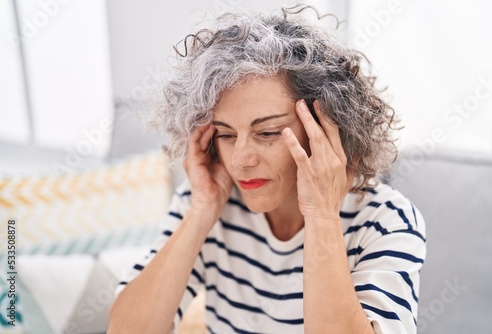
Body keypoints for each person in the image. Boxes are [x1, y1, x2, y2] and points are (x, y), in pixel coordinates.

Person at [108, 6, 426, 334]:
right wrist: (202, 209)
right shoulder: (208, 200)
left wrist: (322, 216)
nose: (240, 159)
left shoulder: (386, 221)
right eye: (227, 134)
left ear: (325, 129)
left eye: (268, 132)